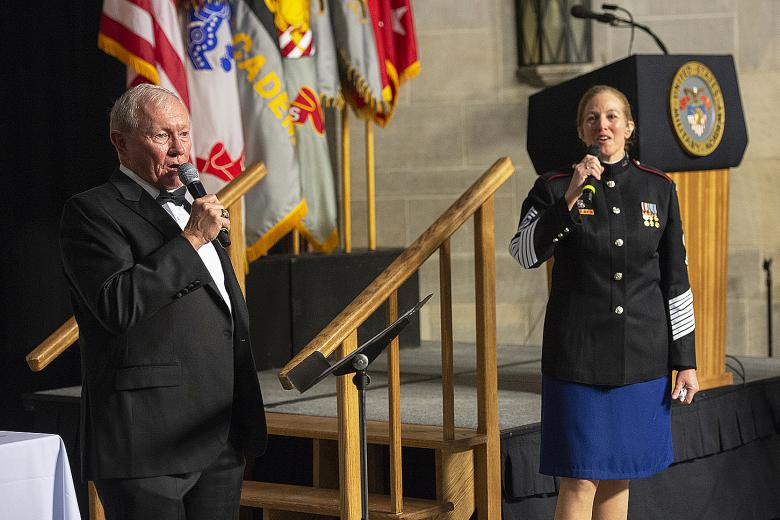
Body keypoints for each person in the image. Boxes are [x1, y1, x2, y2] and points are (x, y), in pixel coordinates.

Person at [60, 83, 266, 520]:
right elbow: (117, 304)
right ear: (121, 142)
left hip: (217, 434)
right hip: (146, 443)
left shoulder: (194, 208)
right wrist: (191, 240)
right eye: (162, 136)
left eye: (184, 134)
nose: (179, 149)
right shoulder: (92, 211)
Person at [509, 85, 699, 520]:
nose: (603, 125)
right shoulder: (554, 186)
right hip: (578, 358)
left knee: (618, 476)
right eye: (592, 118)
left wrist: (685, 360)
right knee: (579, 478)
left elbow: (676, 280)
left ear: (629, 127)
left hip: (642, 357)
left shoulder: (658, 187)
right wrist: (570, 198)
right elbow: (523, 253)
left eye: (612, 116)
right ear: (581, 130)